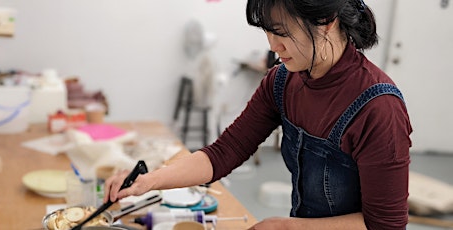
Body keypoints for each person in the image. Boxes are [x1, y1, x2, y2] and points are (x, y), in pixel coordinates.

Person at [104, 0, 412, 229]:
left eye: (283, 33)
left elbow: (385, 225)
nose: (273, 46)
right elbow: (226, 151)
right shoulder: (283, 81)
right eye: (267, 32)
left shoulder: (378, 107)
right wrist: (149, 181)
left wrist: (289, 226)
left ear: (326, 20)